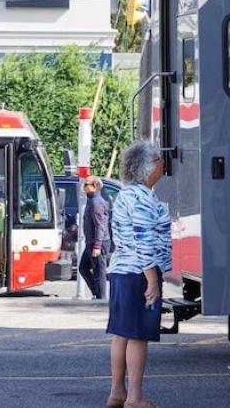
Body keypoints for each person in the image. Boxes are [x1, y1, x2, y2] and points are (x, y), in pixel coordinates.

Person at [106, 141, 171, 408]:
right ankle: (134, 398)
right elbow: (143, 239)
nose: (163, 164)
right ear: (148, 167)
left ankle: (117, 393)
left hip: (122, 271)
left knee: (121, 333)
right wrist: (152, 279)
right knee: (137, 336)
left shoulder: (125, 194)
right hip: (139, 273)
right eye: (159, 160)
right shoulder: (143, 198)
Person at [78, 175, 111, 300]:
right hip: (91, 242)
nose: (84, 187)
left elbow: (100, 226)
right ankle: (97, 294)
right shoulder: (91, 200)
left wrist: (97, 246)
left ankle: (101, 298)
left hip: (98, 243)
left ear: (95, 186)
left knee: (99, 272)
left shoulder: (96, 203)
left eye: (86, 184)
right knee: (83, 268)